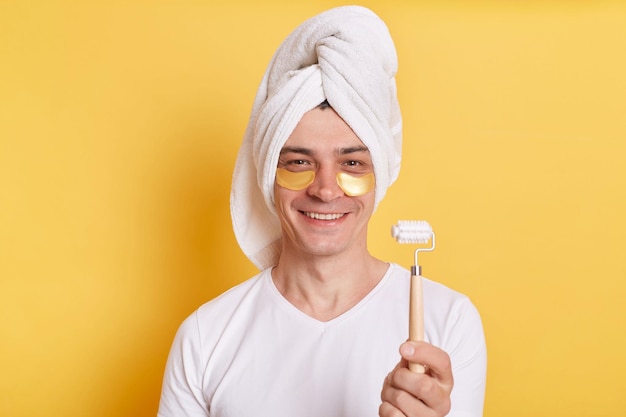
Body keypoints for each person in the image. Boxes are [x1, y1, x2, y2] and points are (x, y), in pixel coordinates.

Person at [157, 5, 486, 417]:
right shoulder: (206, 337)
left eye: (351, 164)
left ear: (378, 174)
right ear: (268, 175)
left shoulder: (448, 322)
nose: (326, 190)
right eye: (298, 162)